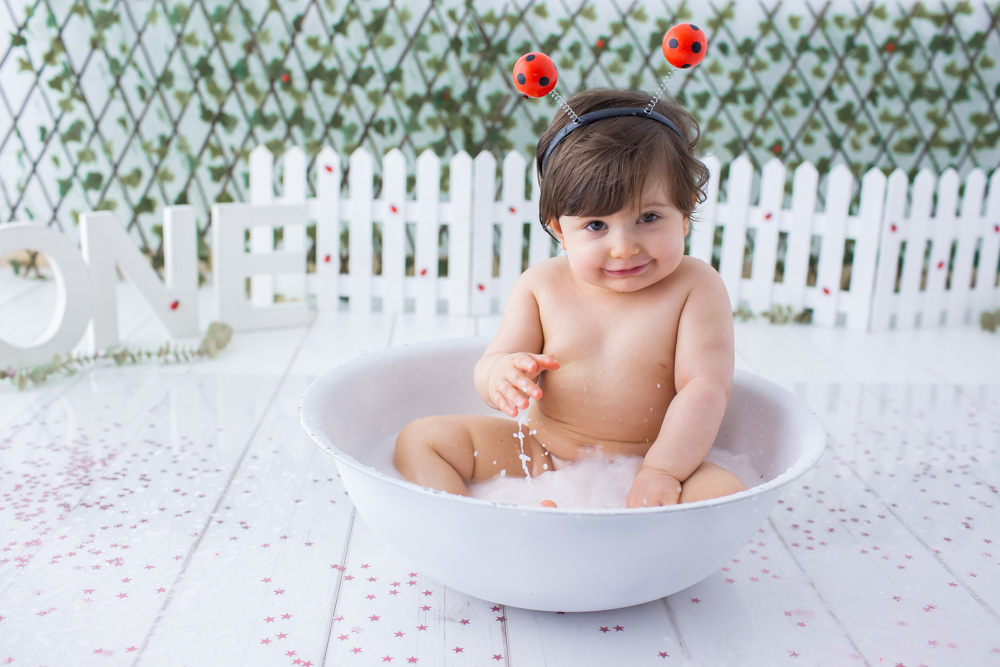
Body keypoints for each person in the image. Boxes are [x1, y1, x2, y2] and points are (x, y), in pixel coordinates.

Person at [394, 88, 746, 507]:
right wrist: (501, 376)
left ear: (685, 213)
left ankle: (629, 542)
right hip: (541, 452)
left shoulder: (694, 287)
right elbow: (494, 361)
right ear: (559, 228)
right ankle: (472, 529)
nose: (623, 248)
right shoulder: (541, 286)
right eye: (596, 225)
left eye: (648, 218)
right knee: (420, 440)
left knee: (726, 494)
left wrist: (663, 472)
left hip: (653, 459)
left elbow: (705, 388)